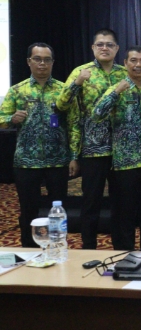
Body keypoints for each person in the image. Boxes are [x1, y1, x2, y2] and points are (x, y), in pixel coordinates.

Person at [0, 43, 80, 248]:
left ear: (53, 62)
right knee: (29, 210)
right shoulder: (17, 90)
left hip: (58, 161)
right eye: (37, 59)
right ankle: (29, 249)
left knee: (58, 210)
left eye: (47, 60)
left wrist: (73, 156)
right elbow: (1, 119)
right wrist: (11, 118)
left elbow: (74, 124)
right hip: (26, 162)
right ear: (29, 62)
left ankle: (58, 247)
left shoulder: (64, 91)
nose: (42, 64)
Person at [56, 28, 126, 249]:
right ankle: (88, 248)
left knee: (120, 204)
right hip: (92, 150)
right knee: (91, 203)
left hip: (122, 151)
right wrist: (77, 83)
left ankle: (121, 248)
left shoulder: (125, 74)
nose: (105, 48)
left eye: (109, 44)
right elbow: (61, 105)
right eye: (100, 44)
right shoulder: (81, 72)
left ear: (117, 48)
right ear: (93, 47)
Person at [92, 46, 141, 251]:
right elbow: (97, 114)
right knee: (124, 213)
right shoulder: (117, 88)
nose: (138, 65)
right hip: (124, 164)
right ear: (125, 63)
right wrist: (115, 92)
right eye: (133, 60)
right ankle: (124, 252)